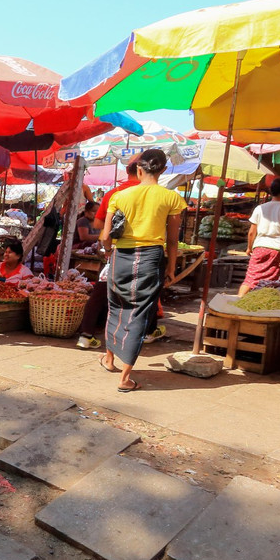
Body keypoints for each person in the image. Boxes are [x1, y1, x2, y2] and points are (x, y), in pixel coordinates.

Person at [99, 148, 186, 392]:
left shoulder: (119, 196)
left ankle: (109, 359)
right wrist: (170, 268)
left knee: (115, 306)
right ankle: (125, 379)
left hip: (120, 258)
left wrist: (108, 250)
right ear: (164, 170)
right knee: (138, 313)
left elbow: (106, 236)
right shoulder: (171, 198)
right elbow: (172, 241)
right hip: (149, 259)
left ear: (139, 169)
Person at [238, 178, 280, 296]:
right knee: (272, 281)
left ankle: (237, 301)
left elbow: (251, 232)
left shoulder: (260, 208)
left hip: (259, 247)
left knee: (250, 279)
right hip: (277, 250)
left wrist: (249, 248)